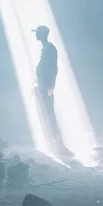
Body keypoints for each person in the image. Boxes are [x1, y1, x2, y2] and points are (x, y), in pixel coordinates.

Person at [32, 25, 64, 154]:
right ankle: (50, 141)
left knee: (49, 113)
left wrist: (51, 85)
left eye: (37, 33)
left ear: (43, 34)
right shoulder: (44, 49)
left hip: (45, 86)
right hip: (41, 85)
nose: (35, 35)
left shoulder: (50, 49)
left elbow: (53, 68)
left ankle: (56, 142)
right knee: (44, 113)